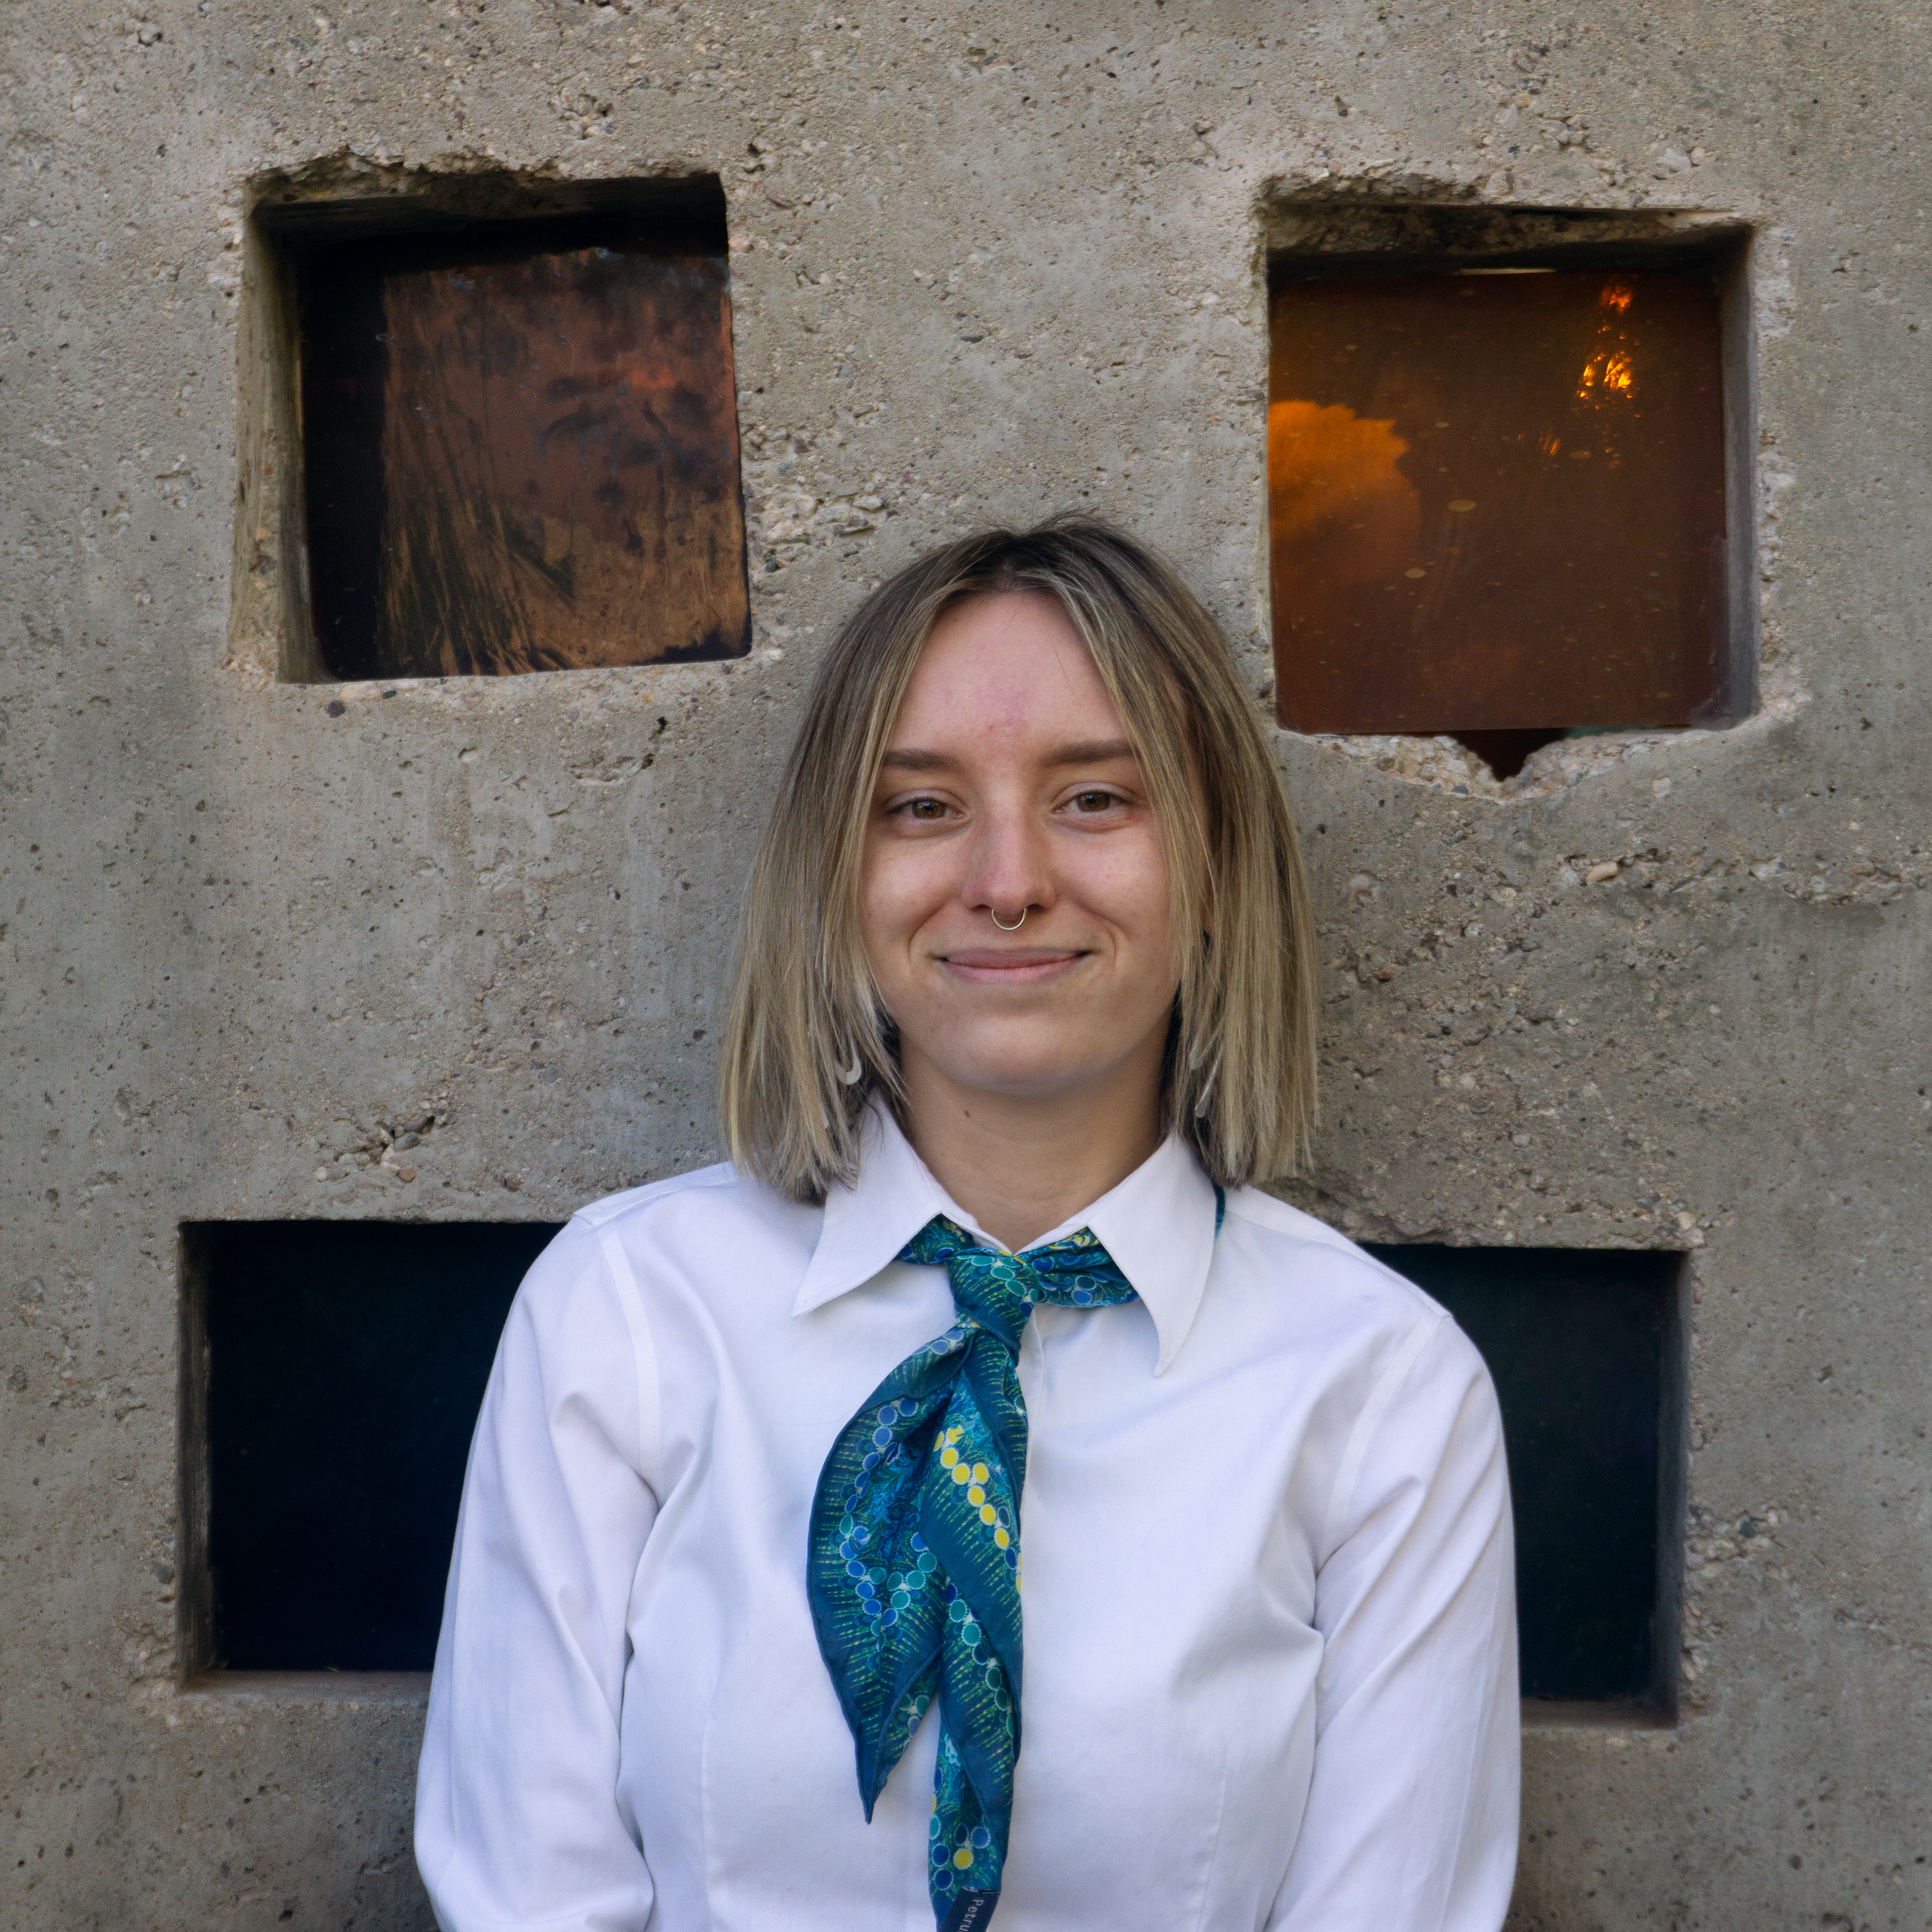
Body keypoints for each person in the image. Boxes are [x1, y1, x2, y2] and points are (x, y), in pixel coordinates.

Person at [415, 517, 1520, 1931]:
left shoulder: (1383, 1390)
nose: (1006, 880)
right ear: (841, 874)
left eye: (1098, 798)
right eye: (921, 806)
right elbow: (527, 1897)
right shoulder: (625, 1312)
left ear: (1217, 862)